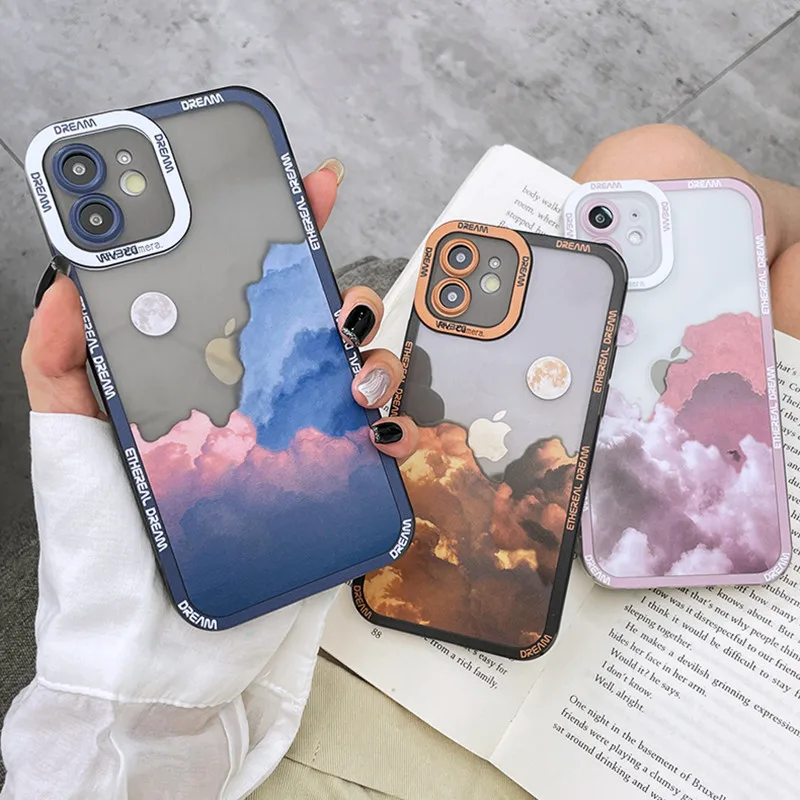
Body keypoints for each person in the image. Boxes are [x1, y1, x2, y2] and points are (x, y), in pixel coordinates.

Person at [3, 125, 800, 799]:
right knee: (682, 186)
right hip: (371, 727)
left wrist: (124, 644)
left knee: (658, 161)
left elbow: (96, 752)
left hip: (255, 694)